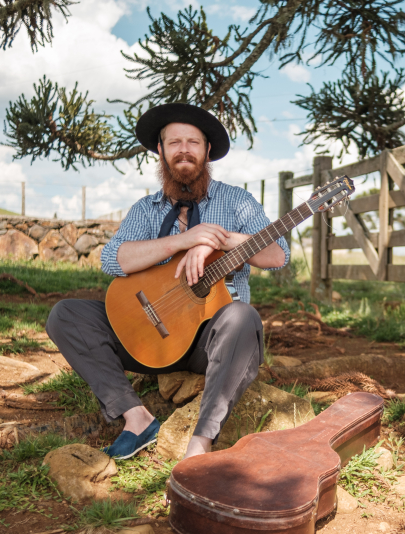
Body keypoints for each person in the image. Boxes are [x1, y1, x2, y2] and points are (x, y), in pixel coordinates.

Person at [45, 103, 290, 460]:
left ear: (207, 151)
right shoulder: (146, 209)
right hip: (148, 337)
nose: (184, 150)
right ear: (160, 151)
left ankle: (200, 443)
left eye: (193, 142)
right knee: (65, 314)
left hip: (210, 344)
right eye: (175, 142)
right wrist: (182, 241)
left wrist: (216, 240)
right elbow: (112, 259)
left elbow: (277, 256)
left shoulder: (238, 201)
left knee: (243, 317)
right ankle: (136, 418)